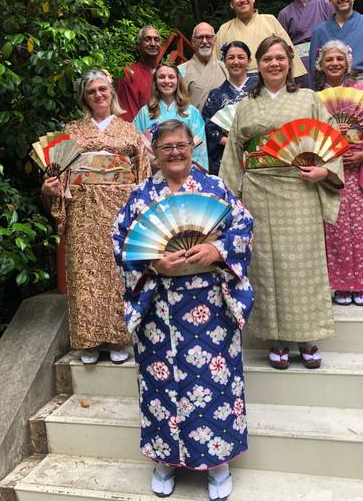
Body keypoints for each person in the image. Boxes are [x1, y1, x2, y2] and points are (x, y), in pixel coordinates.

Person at [112, 119, 254, 501]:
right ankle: (165, 459)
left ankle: (218, 462)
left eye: (181, 145)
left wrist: (218, 250)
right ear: (154, 154)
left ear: (193, 146)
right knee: (160, 382)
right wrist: (154, 264)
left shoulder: (215, 188)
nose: (175, 153)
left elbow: (243, 228)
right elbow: (121, 241)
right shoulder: (141, 195)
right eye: (166, 147)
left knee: (213, 382)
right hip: (159, 306)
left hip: (209, 303)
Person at [220, 36, 344, 370]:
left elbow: (332, 142)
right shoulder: (246, 104)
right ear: (256, 65)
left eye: (279, 58)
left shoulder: (309, 98)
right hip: (259, 190)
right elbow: (234, 152)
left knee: (304, 265)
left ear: (290, 61)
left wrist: (323, 171)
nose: (273, 64)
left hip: (299, 189)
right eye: (266, 59)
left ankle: (308, 337)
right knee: (266, 266)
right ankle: (276, 338)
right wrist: (231, 198)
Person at [41, 70, 151, 364]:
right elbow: (57, 171)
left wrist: (141, 206)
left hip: (120, 205)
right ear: (84, 97)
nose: (99, 95)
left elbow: (143, 172)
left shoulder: (129, 130)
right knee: (84, 270)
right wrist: (51, 188)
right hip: (83, 207)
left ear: (112, 93)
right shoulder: (72, 130)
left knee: (118, 271)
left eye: (103, 89)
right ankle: (87, 342)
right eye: (92, 91)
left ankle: (118, 338)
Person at [314, 40, 363, 306]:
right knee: (334, 229)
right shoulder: (314, 99)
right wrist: (326, 157)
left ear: (347, 62)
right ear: (320, 64)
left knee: (362, 230)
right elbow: (309, 135)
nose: (334, 63)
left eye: (339, 59)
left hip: (358, 170)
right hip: (331, 172)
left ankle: (362, 285)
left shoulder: (362, 93)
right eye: (328, 59)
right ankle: (341, 286)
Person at [215, 0, 307, 79]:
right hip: (236, 82)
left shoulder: (270, 20)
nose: (242, 0)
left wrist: (292, 79)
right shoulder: (224, 29)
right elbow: (216, 63)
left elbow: (288, 51)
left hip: (271, 79)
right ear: (231, 4)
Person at [133, 63, 209, 170]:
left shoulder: (192, 112)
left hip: (185, 172)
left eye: (171, 77)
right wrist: (154, 161)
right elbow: (136, 143)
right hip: (154, 171)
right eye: (161, 77)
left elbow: (199, 149)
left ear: (178, 81)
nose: (166, 81)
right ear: (155, 82)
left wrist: (179, 162)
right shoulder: (145, 112)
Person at [202, 41, 258, 174]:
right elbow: (208, 127)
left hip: (257, 151)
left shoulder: (260, 89)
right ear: (225, 62)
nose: (236, 62)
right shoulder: (215, 94)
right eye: (231, 58)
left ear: (249, 61)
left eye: (241, 57)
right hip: (227, 154)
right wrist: (231, 142)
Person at [277, 0, 333, 82]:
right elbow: (280, 47)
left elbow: (338, 34)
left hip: (326, 61)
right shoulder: (284, 14)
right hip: (298, 65)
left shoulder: (327, 5)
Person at [178, 22, 228, 111]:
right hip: (193, 123)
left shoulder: (225, 68)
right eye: (200, 37)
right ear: (193, 42)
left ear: (215, 40)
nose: (204, 41)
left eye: (209, 37)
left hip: (222, 123)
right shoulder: (181, 70)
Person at [117, 25, 161, 121]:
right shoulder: (128, 73)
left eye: (156, 39)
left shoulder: (167, 74)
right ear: (139, 45)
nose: (153, 43)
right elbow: (129, 116)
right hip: (142, 132)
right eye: (147, 39)